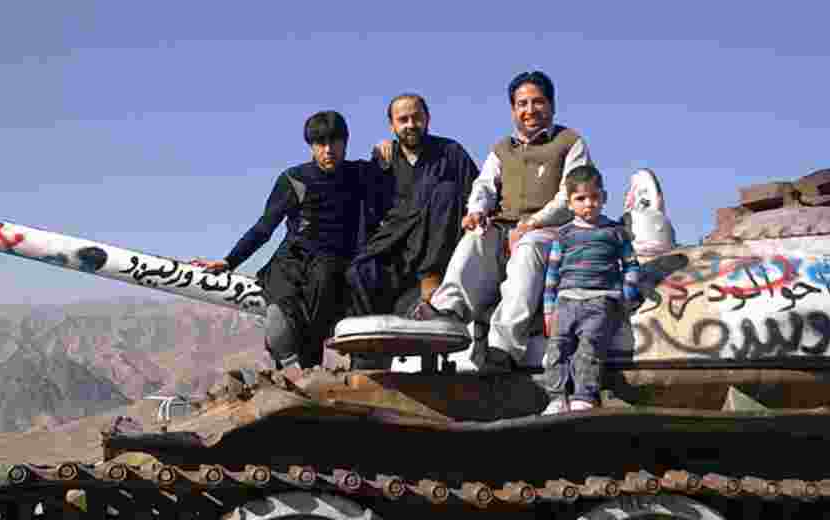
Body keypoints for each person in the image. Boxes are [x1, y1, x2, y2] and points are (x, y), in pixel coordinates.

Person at [412, 70, 592, 371]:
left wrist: (531, 224)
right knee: (475, 239)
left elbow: (569, 196)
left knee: (527, 250)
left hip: (549, 229)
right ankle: (447, 313)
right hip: (504, 225)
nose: (530, 110)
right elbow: (484, 185)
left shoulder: (570, 142)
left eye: (538, 102)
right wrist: (477, 211)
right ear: (513, 109)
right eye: (522, 103)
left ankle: (503, 347)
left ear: (551, 106)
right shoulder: (501, 148)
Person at [190, 111, 377, 372]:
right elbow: (265, 226)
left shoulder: (361, 174)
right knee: (280, 319)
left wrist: (386, 149)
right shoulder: (295, 179)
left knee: (323, 306)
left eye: (334, 142)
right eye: (319, 143)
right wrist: (230, 260)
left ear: (345, 142)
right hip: (292, 261)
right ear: (311, 146)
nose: (327, 150)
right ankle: (291, 374)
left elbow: (400, 173)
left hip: (333, 266)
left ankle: (313, 373)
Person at [346, 93, 479, 318]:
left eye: (416, 118)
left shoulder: (450, 152)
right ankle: (372, 346)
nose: (410, 125)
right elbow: (370, 209)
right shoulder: (384, 159)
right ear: (392, 125)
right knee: (359, 271)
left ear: (427, 118)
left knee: (447, 190)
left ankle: (431, 278)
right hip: (396, 243)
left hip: (435, 244)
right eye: (403, 119)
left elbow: (477, 192)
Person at [540, 165, 642, 414]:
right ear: (569, 202)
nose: (589, 204)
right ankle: (556, 398)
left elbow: (631, 265)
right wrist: (548, 309)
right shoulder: (564, 234)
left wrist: (626, 295)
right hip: (566, 300)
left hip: (601, 300)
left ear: (604, 198)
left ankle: (583, 396)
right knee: (556, 349)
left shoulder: (615, 232)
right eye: (580, 199)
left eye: (594, 198)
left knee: (590, 349)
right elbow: (552, 273)